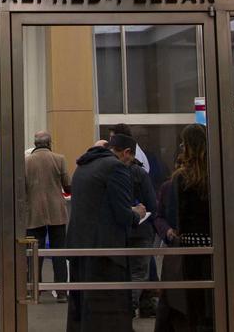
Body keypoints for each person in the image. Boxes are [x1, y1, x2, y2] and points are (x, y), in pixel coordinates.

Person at [65, 138, 147, 332]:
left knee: (83, 310)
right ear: (126, 152)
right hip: (105, 252)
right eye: (131, 159)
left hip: (79, 248)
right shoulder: (115, 167)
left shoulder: (82, 167)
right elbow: (122, 213)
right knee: (107, 314)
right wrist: (137, 213)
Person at [154, 124, 214, 331]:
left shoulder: (181, 179)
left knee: (193, 305)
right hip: (216, 248)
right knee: (212, 306)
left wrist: (175, 232)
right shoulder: (222, 173)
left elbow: (178, 216)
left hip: (188, 250)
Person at [109, 133, 159, 319]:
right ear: (129, 152)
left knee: (124, 272)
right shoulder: (138, 172)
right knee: (139, 272)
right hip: (141, 230)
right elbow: (152, 204)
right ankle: (129, 308)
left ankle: (134, 306)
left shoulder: (107, 171)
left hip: (119, 231)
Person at [21, 131, 72, 300]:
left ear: (35, 144)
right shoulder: (60, 159)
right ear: (50, 143)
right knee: (59, 252)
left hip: (34, 213)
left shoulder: (26, 162)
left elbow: (22, 190)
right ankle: (62, 292)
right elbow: (67, 186)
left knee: (35, 254)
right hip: (56, 211)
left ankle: (36, 289)